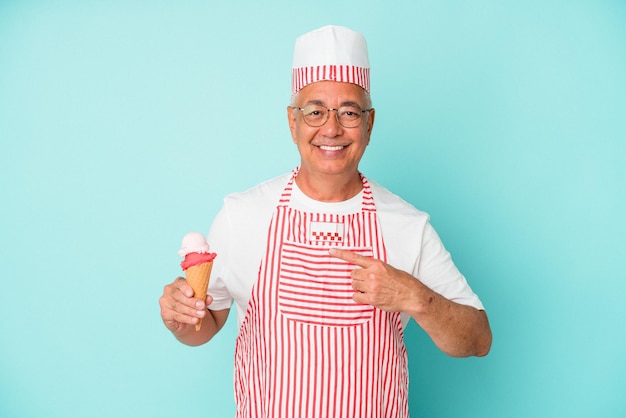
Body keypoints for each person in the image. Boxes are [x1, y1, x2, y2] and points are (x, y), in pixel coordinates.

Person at [159, 25, 492, 417]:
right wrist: (181, 319)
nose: (331, 129)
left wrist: (414, 297)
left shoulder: (407, 225)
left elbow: (478, 339)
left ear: (369, 124)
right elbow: (206, 322)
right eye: (315, 111)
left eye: (348, 112)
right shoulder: (242, 215)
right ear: (292, 121)